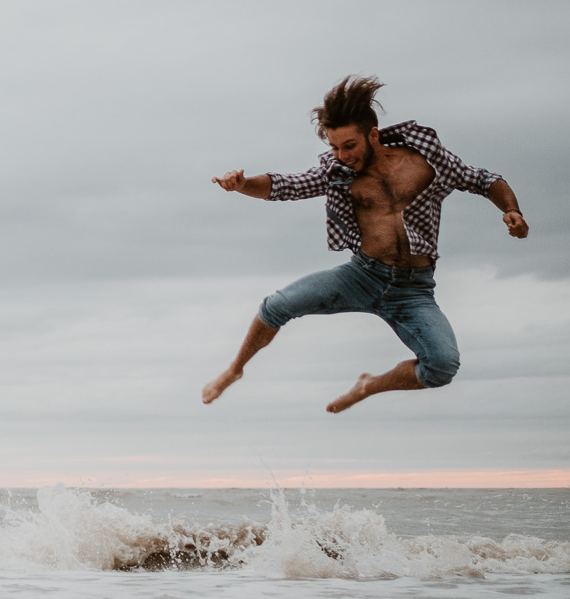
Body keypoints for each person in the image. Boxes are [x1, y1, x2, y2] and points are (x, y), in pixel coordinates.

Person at [202, 76, 528, 413]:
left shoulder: (428, 162)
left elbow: (484, 179)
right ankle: (234, 370)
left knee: (442, 366)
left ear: (373, 135)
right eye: (334, 147)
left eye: (350, 145)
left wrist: (511, 210)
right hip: (361, 276)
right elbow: (286, 186)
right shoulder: (338, 172)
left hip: (413, 290)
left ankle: (369, 385)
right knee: (276, 306)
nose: (342, 155)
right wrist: (242, 185)